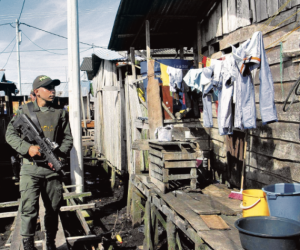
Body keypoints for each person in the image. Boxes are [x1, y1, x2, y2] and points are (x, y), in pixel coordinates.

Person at [6, 75, 73, 250]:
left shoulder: (60, 113)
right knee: (28, 210)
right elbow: (9, 134)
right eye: (48, 88)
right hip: (30, 169)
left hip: (52, 171)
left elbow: (68, 139)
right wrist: (27, 148)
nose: (53, 91)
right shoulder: (24, 111)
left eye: (53, 88)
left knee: (53, 209)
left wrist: (60, 156)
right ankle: (28, 245)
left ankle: (50, 243)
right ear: (37, 92)